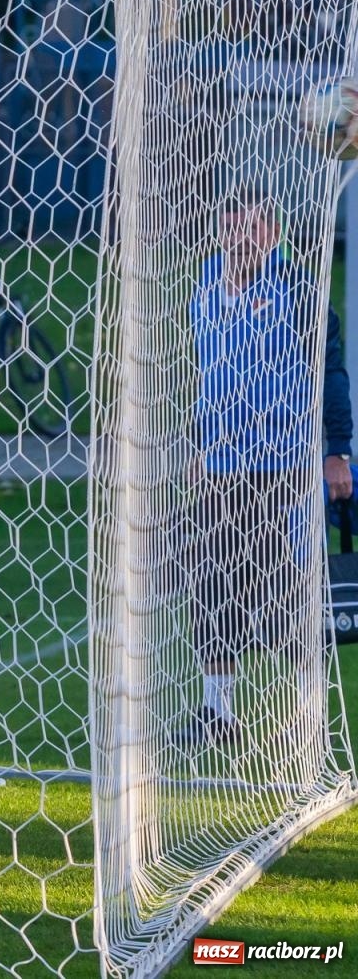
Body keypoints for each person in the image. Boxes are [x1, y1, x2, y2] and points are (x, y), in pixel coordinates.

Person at [174, 184, 351, 752]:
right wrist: (199, 444)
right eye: (229, 228)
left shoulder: (299, 289)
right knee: (212, 587)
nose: (239, 238)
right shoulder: (205, 284)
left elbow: (331, 372)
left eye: (250, 228)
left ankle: (303, 719)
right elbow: (206, 374)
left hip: (286, 470)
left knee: (290, 597)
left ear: (271, 232)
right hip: (221, 468)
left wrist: (337, 452)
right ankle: (217, 711)